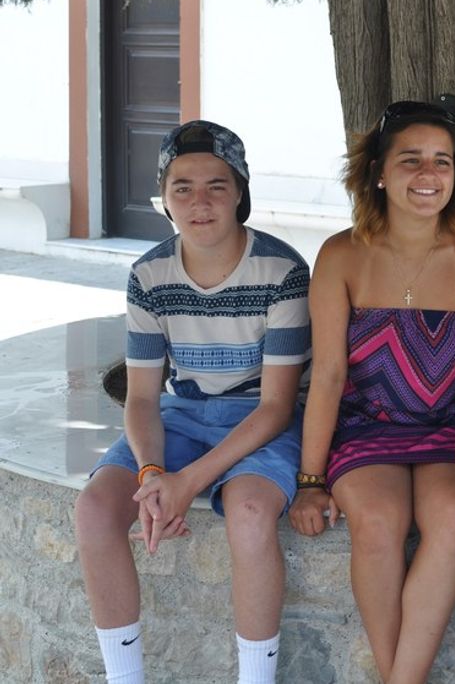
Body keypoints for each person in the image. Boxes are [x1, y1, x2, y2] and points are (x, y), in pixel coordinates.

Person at [286, 96, 455, 683]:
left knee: (451, 516)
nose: (428, 174)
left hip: (452, 431)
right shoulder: (341, 255)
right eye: (410, 159)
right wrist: (311, 482)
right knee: (377, 520)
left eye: (443, 161)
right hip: (366, 428)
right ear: (379, 174)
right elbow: (329, 375)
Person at [74, 120, 311, 684]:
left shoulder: (282, 271)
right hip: (181, 416)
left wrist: (187, 483)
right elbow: (141, 397)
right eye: (182, 188)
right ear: (164, 197)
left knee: (250, 514)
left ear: (240, 192)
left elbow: (277, 406)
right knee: (95, 509)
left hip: (260, 421)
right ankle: (124, 678)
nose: (199, 203)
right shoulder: (149, 274)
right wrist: (154, 474)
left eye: (216, 186)